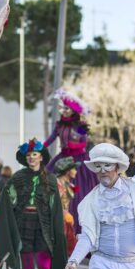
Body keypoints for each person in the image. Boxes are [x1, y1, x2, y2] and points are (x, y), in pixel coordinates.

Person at [0, 139, 66, 269]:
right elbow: (8, 200)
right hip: (23, 222)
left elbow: (54, 206)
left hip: (44, 226)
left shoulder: (50, 179)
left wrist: (58, 229)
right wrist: (9, 200)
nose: (31, 158)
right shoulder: (17, 178)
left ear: (41, 157)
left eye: (34, 155)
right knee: (26, 265)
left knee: (44, 265)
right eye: (28, 155)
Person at [44, 89, 98, 231]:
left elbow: (84, 143)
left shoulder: (80, 126)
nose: (64, 111)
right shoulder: (59, 125)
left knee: (80, 192)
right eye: (62, 108)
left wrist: (75, 145)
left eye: (67, 108)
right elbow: (50, 139)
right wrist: (40, 148)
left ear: (73, 110)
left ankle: (79, 225)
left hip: (78, 162)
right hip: (62, 159)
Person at [54, 157, 79, 256]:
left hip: (66, 221)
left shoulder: (68, 184)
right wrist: (64, 214)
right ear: (68, 171)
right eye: (74, 169)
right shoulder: (58, 183)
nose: (76, 171)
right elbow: (54, 203)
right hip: (58, 221)